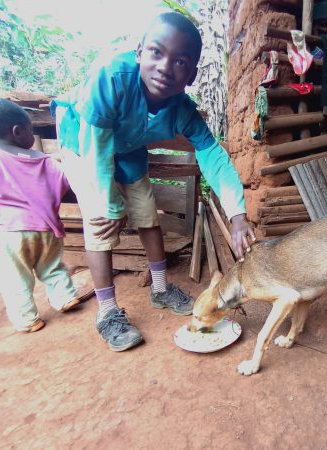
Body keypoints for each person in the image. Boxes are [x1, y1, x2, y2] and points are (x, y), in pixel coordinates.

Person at [51, 11, 255, 352]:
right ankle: (108, 312)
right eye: (156, 53)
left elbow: (214, 158)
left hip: (128, 145)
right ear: (139, 52)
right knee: (100, 220)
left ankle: (161, 288)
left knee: (146, 211)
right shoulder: (112, 78)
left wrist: (237, 216)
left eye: (180, 62)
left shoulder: (182, 110)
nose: (164, 66)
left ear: (191, 75)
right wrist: (110, 203)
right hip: (83, 139)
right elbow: (97, 145)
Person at [0, 98, 81, 333]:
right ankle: (65, 297)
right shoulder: (48, 163)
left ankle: (28, 319)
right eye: (31, 130)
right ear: (17, 131)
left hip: (12, 233)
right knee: (52, 266)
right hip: (48, 230)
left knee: (16, 276)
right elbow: (66, 185)